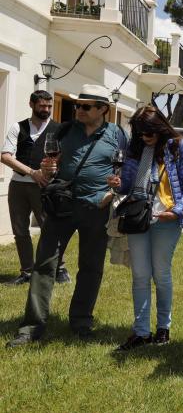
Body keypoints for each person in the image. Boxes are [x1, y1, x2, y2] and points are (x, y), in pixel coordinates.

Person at [7, 84, 127, 346]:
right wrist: (47, 169)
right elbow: (45, 167)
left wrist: (114, 189)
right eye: (77, 105)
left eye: (85, 106)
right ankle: (31, 326)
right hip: (63, 205)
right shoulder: (63, 130)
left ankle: (81, 321)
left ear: (102, 109)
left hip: (97, 208)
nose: (79, 110)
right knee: (45, 265)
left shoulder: (116, 134)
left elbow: (123, 167)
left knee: (91, 266)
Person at [108, 106, 183, 351]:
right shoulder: (135, 149)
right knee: (140, 275)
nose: (145, 137)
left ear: (160, 127)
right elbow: (127, 185)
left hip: (166, 219)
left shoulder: (178, 146)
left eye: (149, 132)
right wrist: (118, 183)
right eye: (140, 132)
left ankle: (163, 329)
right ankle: (141, 332)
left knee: (161, 273)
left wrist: (177, 212)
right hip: (138, 216)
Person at [2, 90, 70, 285]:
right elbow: (5, 156)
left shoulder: (59, 129)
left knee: (50, 228)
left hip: (47, 187)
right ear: (31, 104)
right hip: (19, 186)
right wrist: (33, 172)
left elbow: (63, 155)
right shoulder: (18, 127)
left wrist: (51, 169)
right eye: (42, 106)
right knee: (20, 230)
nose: (46, 109)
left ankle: (59, 267)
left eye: (49, 106)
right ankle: (27, 271)